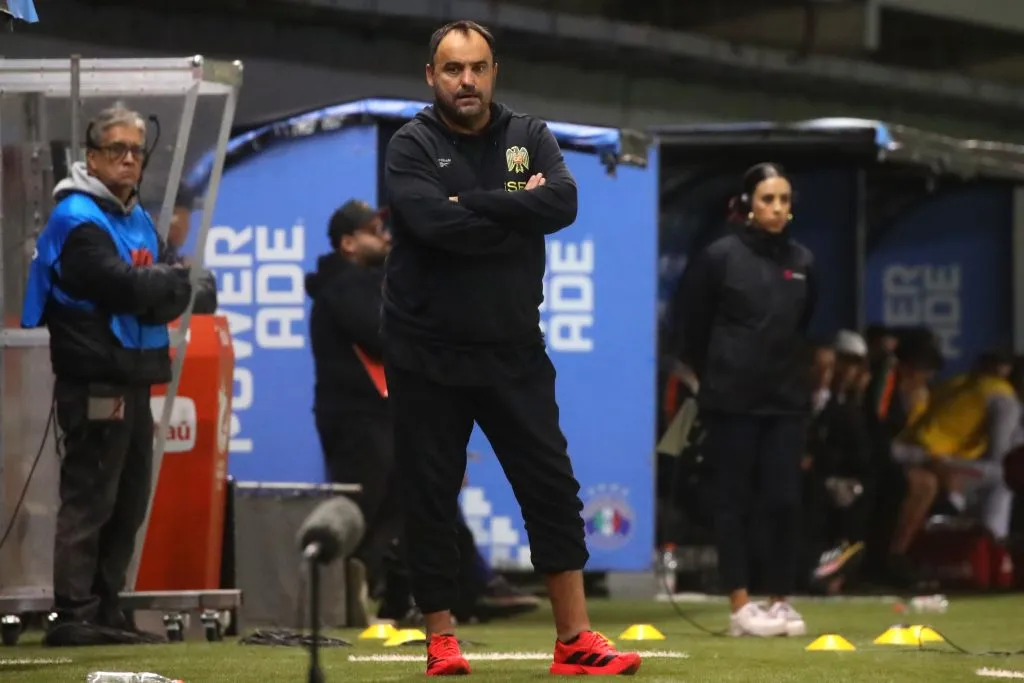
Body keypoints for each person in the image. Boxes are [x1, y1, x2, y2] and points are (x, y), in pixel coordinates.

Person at [381, 19, 641, 676]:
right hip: (426, 353)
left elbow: (562, 203)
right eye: (452, 69)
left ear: (495, 71)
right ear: (431, 76)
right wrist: (510, 210)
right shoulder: (410, 143)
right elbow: (430, 223)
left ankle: (575, 640)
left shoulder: (529, 134)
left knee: (553, 488)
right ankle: (441, 638)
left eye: (477, 67)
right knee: (430, 495)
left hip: (513, 351)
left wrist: (471, 201)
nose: (466, 80)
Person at [20, 104, 193, 646]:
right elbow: (125, 287)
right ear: (91, 159)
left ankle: (106, 608)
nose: (127, 159)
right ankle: (75, 613)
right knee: (92, 493)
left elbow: (177, 287)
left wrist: (160, 284)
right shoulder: (76, 219)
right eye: (115, 149)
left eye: (136, 151)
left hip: (135, 374)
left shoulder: (135, 217)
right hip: (95, 377)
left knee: (128, 497)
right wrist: (161, 283)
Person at [674, 162, 815, 638]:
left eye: (784, 200)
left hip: (786, 400)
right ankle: (739, 604)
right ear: (748, 204)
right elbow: (690, 326)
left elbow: (805, 323)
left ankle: (780, 600)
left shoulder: (804, 260)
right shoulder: (719, 256)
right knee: (733, 500)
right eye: (767, 199)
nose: (777, 208)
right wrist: (715, 373)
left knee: (784, 500)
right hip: (731, 399)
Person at [158, 188, 218, 314]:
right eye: (174, 212)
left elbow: (204, 303)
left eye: (187, 215)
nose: (182, 222)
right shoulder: (132, 256)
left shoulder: (184, 264)